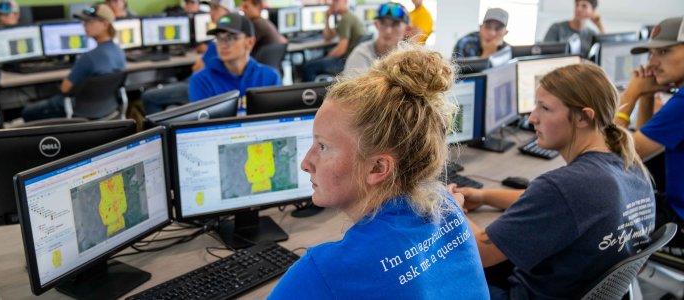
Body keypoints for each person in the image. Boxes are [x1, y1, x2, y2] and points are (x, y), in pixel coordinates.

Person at [269, 42, 488, 298]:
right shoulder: (449, 206)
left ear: (378, 167)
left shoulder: (323, 272)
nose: (306, 162)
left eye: (323, 147)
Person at [455, 63, 655, 299]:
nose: (532, 118)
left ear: (583, 117)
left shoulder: (565, 187)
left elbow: (481, 252)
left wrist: (453, 207)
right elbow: (563, 206)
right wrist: (484, 195)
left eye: (545, 108)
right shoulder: (631, 165)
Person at [616, 16, 684, 263]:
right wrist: (646, 96)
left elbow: (610, 158)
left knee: (595, 215)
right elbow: (641, 150)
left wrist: (631, 94)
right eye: (651, 53)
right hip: (674, 207)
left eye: (664, 51)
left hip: (679, 226)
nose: (652, 63)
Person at [21, 3, 125, 122]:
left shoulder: (88, 58)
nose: (84, 25)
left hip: (77, 109)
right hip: (107, 108)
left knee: (28, 112)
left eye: (89, 22)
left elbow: (65, 88)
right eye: (83, 21)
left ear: (105, 24)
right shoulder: (119, 51)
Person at [141, 0, 233, 114]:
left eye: (215, 8)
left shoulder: (219, 41)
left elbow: (196, 69)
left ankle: (159, 130)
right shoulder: (224, 39)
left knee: (148, 97)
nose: (210, 13)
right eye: (211, 8)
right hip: (204, 83)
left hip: (203, 86)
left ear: (227, 11)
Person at [188, 13, 280, 111]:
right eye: (219, 38)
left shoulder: (270, 77)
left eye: (231, 38)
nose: (223, 44)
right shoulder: (202, 81)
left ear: (250, 42)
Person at [301, 0, 365, 82]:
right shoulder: (347, 17)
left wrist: (327, 56)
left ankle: (308, 93)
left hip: (345, 61)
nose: (333, 4)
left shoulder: (346, 19)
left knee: (308, 67)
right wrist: (327, 18)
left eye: (337, 1)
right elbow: (328, 37)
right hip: (349, 58)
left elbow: (341, 50)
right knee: (314, 62)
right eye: (333, 2)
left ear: (345, 2)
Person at [344, 2, 409, 75]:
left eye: (395, 24)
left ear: (406, 29)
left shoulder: (409, 58)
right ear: (376, 25)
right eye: (383, 23)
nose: (388, 31)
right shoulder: (361, 54)